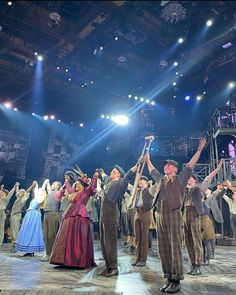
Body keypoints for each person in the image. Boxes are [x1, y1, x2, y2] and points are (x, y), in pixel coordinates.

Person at [145, 138, 206, 293]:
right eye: (165, 165)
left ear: (176, 169)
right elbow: (152, 171)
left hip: (174, 215)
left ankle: (177, 280)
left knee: (175, 248)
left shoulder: (181, 179)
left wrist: (199, 150)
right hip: (160, 214)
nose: (167, 166)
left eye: (170, 165)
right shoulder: (160, 180)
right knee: (163, 248)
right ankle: (169, 278)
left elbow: (191, 165)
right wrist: (148, 159)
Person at [49, 173, 98, 268]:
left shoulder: (86, 193)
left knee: (78, 237)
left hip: (80, 215)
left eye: (79, 184)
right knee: (67, 237)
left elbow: (92, 188)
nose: (77, 185)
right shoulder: (73, 193)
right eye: (76, 184)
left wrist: (94, 177)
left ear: (83, 187)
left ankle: (76, 260)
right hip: (70, 214)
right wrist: (67, 181)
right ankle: (64, 260)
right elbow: (69, 189)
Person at [98, 164, 137, 277]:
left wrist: (138, 164)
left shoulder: (121, 183)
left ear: (119, 174)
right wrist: (101, 172)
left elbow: (129, 174)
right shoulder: (108, 183)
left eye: (114, 171)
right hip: (103, 213)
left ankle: (114, 267)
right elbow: (104, 176)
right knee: (104, 241)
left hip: (111, 212)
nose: (111, 172)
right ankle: (108, 265)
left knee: (110, 241)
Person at [15, 181, 45, 256]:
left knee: (32, 231)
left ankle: (31, 250)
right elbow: (25, 193)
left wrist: (39, 185)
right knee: (27, 231)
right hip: (29, 215)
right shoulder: (33, 199)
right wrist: (34, 186)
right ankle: (28, 249)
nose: (34, 192)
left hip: (34, 215)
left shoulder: (40, 199)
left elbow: (39, 191)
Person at [183, 173, 204, 275]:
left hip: (194, 214)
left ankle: (198, 264)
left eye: (191, 179)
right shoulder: (185, 190)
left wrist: (192, 188)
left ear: (195, 180)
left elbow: (200, 197)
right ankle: (192, 264)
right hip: (185, 213)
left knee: (196, 241)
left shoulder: (197, 190)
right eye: (188, 178)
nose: (188, 180)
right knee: (188, 241)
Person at [131, 175, 153, 267]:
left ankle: (143, 259)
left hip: (145, 213)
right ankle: (138, 258)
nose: (140, 182)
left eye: (142, 180)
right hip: (137, 213)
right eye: (139, 180)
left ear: (146, 182)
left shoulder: (148, 190)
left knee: (144, 238)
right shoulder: (138, 191)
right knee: (138, 238)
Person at [10, 182, 35, 253]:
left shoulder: (22, 199)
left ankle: (15, 246)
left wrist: (32, 185)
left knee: (15, 230)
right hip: (14, 215)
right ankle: (14, 245)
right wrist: (17, 185)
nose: (19, 192)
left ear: (23, 194)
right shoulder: (18, 198)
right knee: (13, 230)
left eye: (21, 191)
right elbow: (17, 192)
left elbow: (26, 192)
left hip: (16, 215)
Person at [41, 179, 62, 262]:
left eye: (54, 184)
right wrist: (47, 182)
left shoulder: (59, 192)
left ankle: (53, 254)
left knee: (51, 235)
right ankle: (47, 253)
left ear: (58, 186)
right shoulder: (50, 192)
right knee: (45, 235)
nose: (52, 185)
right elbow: (48, 188)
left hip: (53, 213)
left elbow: (63, 188)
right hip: (46, 213)